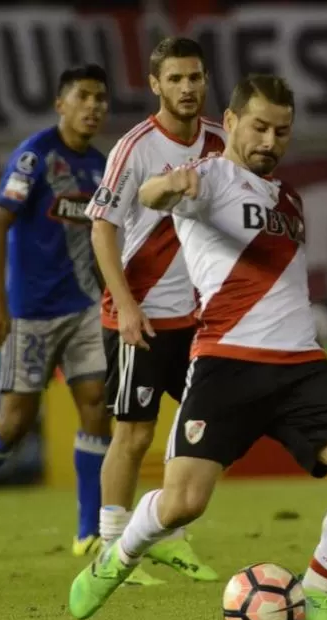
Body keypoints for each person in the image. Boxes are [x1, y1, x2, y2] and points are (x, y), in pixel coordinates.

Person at [68, 74, 327, 620]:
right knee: (182, 504)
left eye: (282, 131)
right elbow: (152, 195)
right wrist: (168, 187)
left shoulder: (291, 201)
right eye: (259, 127)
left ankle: (316, 594)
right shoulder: (209, 178)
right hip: (227, 364)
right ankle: (116, 558)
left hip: (300, 367)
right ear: (229, 123)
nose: (270, 140)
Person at [0, 65, 113, 564]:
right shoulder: (36, 156)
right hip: (30, 313)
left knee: (95, 401)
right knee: (14, 421)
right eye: (84, 97)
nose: (94, 107)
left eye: (101, 99)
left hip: (85, 308)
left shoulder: (100, 166)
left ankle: (87, 530)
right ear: (61, 103)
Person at [86, 36, 224, 586]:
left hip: (198, 319)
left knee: (197, 429)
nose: (187, 88)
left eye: (194, 78)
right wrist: (125, 305)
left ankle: (167, 535)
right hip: (140, 318)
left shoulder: (221, 141)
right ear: (155, 84)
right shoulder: (135, 147)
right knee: (133, 435)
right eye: (175, 79)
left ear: (205, 80)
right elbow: (101, 228)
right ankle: (111, 548)